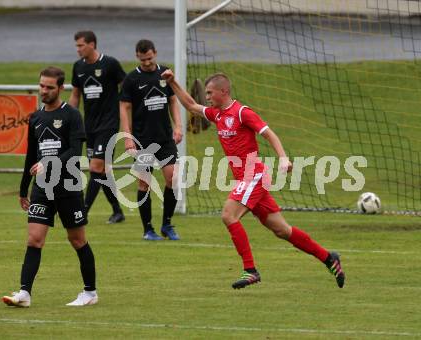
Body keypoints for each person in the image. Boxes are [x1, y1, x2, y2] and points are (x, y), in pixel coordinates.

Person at [161, 69, 345, 289]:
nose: (207, 97)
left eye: (210, 93)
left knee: (229, 215)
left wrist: (284, 158)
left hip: (253, 175)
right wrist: (173, 82)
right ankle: (328, 258)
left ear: (224, 91)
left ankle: (250, 270)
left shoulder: (242, 112)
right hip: (247, 178)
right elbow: (191, 105)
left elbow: (269, 133)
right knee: (282, 230)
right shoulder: (217, 114)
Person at [2, 67, 98, 307]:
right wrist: (23, 189)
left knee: (77, 240)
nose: (43, 91)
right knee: (34, 240)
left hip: (68, 186)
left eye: (49, 87)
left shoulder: (72, 115)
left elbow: (75, 152)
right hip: (42, 188)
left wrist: (50, 162)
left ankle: (90, 293)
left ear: (60, 89)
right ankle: (24, 293)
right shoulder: (35, 118)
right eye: (41, 86)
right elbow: (30, 157)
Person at [120, 39, 183, 241]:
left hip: (165, 137)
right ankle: (148, 229)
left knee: (172, 178)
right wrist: (128, 137)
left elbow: (173, 101)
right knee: (144, 183)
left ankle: (167, 224)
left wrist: (178, 126)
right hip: (142, 140)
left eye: (150, 58)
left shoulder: (165, 74)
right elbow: (124, 108)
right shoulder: (131, 80)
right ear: (137, 56)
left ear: (155, 53)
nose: (147, 62)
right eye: (143, 59)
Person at [69, 30, 125, 224]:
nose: (77, 49)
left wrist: (125, 110)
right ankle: (117, 211)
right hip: (89, 126)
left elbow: (125, 87)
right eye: (76, 45)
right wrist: (69, 117)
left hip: (108, 125)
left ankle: (82, 212)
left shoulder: (110, 64)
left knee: (95, 167)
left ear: (92, 44)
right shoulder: (78, 67)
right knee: (102, 171)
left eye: (80, 45)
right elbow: (76, 94)